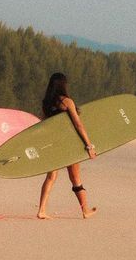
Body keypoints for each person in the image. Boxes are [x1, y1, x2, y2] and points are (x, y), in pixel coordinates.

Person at [37, 72, 97, 219]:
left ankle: (42, 210)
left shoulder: (46, 103)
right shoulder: (67, 102)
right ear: (63, 85)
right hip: (69, 144)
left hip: (53, 144)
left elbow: (44, 125)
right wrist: (89, 145)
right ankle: (85, 210)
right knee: (76, 178)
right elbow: (78, 125)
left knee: (51, 177)